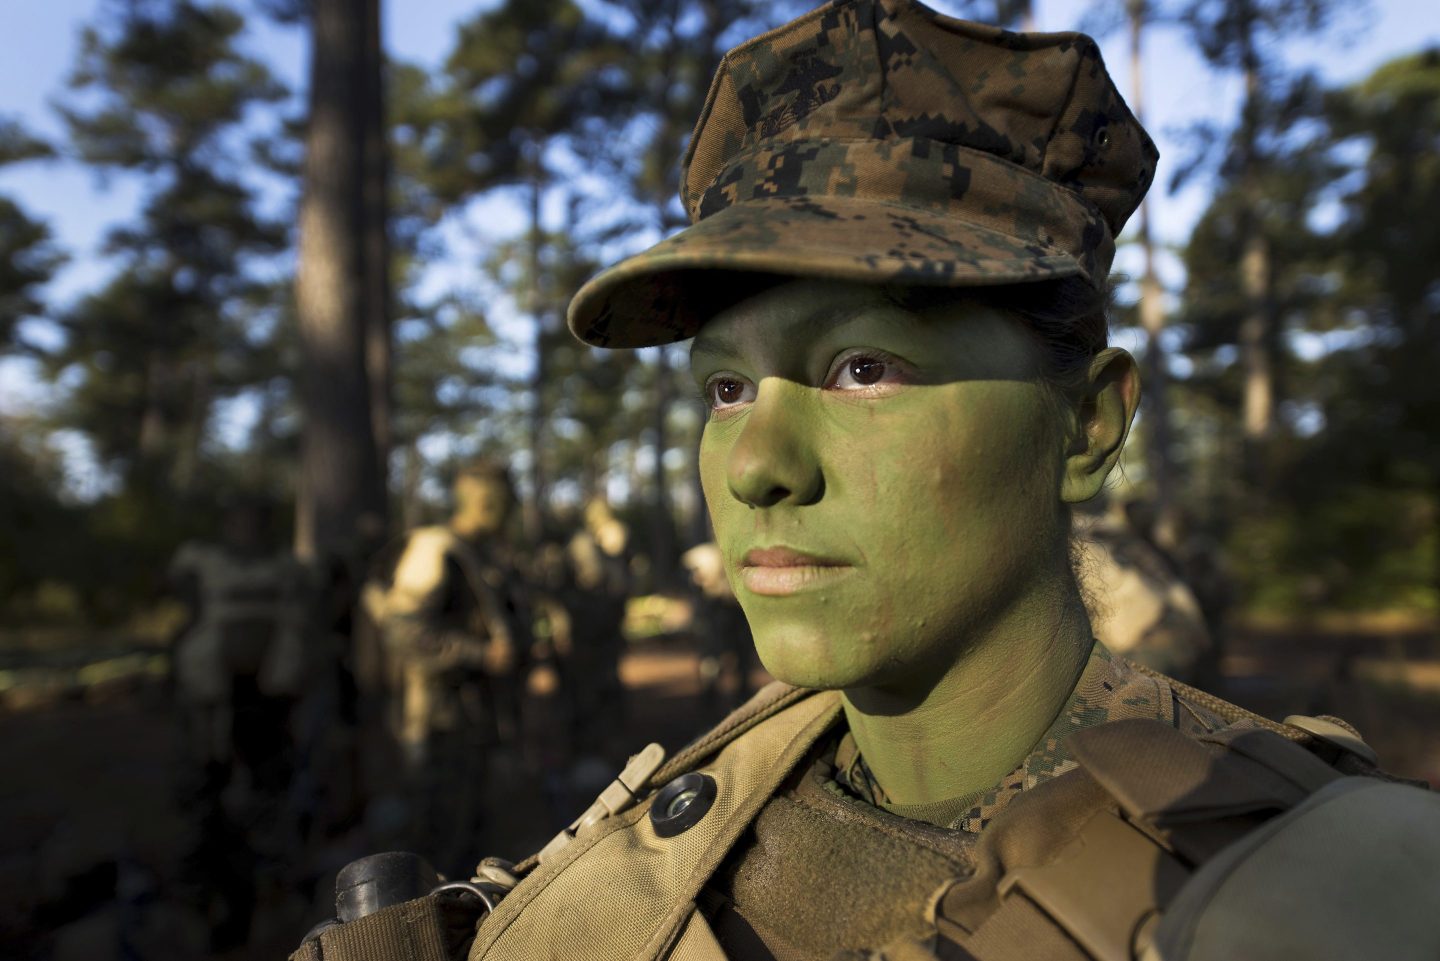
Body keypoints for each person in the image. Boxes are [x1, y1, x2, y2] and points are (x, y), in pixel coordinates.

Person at [294, 2, 1439, 960]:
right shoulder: (682, 817)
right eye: (727, 390)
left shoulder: (1310, 895)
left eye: (863, 368)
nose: (756, 467)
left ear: (1087, 423)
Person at [363, 460, 532, 864]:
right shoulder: (435, 548)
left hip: (477, 723)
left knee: (475, 836)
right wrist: (480, 654)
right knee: (437, 843)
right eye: (499, 498)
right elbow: (405, 633)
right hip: (438, 725)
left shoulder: (485, 556)